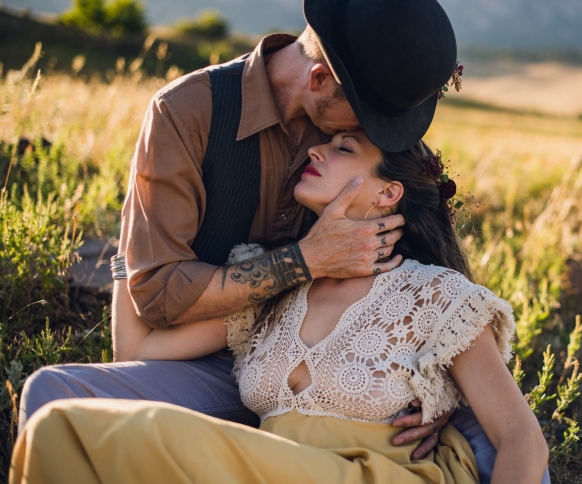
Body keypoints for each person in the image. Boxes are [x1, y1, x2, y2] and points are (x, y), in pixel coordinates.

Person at [17, 0, 502, 476]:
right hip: (223, 365)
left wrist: (439, 390)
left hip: (361, 377)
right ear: (318, 81)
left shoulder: (357, 127)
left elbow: (421, 241)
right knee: (52, 397)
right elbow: (156, 302)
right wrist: (305, 260)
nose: (376, 132)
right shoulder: (188, 113)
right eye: (368, 122)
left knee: (493, 439)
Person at [11, 130, 550, 483]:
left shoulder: (435, 295)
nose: (316, 151)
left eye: (343, 149)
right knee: (56, 427)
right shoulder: (273, 286)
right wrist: (141, 229)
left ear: (388, 194)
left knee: (124, 431)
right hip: (268, 466)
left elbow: (520, 436)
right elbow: (138, 349)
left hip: (373, 473)